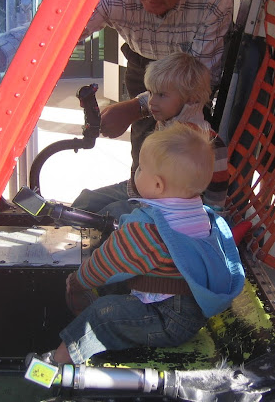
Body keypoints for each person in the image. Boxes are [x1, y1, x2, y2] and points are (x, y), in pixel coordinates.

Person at [0, 0, 234, 180]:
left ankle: (187, 211)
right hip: (143, 65)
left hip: (192, 73)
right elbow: (56, 33)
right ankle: (141, 203)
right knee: (144, 156)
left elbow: (197, 83)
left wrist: (136, 108)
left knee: (190, 155)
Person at [47, 123, 245, 364]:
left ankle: (57, 363)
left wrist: (78, 279)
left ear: (158, 185)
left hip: (167, 319)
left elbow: (108, 263)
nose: (135, 172)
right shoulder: (202, 215)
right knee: (113, 294)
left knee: (101, 315)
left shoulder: (148, 229)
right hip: (191, 312)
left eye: (140, 169)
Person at [72, 52, 229, 219]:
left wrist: (212, 219)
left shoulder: (205, 142)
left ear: (191, 99)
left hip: (163, 209)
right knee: (86, 201)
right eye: (151, 93)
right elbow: (153, 100)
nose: (152, 101)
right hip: (140, 190)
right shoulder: (169, 113)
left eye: (161, 95)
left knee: (105, 215)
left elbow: (217, 193)